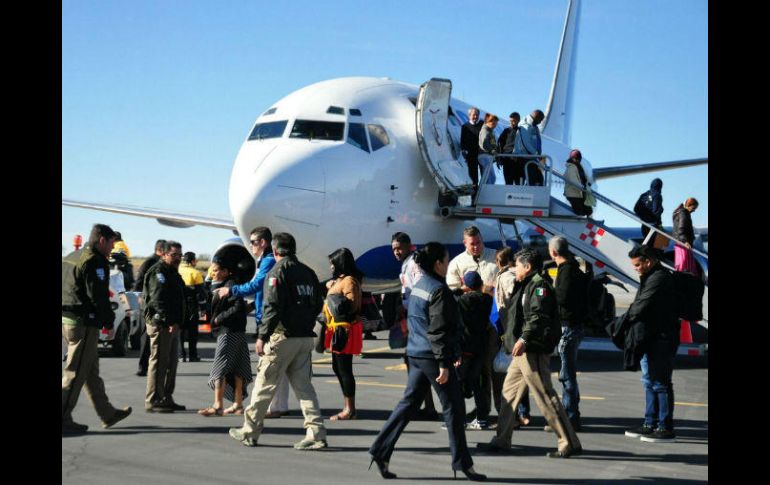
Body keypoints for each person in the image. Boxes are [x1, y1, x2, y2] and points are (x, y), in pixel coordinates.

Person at [368, 242, 486, 481]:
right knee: (454, 407)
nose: (448, 263)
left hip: (416, 353)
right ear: (438, 264)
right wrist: (444, 362)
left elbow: (417, 321)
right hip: (433, 356)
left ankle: (380, 450)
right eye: (446, 259)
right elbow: (439, 329)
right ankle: (463, 463)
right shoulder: (439, 290)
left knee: (408, 404)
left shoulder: (420, 285)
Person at [478, 249, 582, 458]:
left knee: (544, 395)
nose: (514, 268)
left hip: (532, 349)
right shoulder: (525, 284)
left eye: (517, 265)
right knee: (509, 393)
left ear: (527, 267)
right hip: (521, 349)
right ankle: (502, 439)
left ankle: (569, 442)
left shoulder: (539, 286)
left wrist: (524, 339)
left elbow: (538, 316)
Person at [228, 232, 328, 450]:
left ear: (274, 250)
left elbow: (272, 307)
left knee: (264, 385)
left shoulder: (276, 272)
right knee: (305, 389)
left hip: (283, 337)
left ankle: (249, 431)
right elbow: (318, 303)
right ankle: (316, 433)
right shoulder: (308, 272)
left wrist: (262, 336)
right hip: (304, 337)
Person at [62, 223, 132, 434]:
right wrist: (108, 322)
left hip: (68, 320)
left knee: (90, 371)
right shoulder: (95, 261)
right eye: (111, 243)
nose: (112, 248)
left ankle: (107, 413)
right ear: (102, 240)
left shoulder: (72, 256)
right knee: (75, 372)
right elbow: (99, 297)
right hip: (83, 323)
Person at [213, 227, 288, 419]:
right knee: (281, 367)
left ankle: (269, 408)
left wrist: (231, 290)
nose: (250, 245)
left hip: (269, 320)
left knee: (269, 367)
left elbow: (257, 285)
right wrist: (253, 305)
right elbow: (265, 291)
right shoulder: (269, 260)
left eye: (252, 242)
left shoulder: (268, 260)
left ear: (262, 243)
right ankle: (279, 405)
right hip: (275, 317)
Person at [622, 245, 679, 443]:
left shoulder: (659, 277)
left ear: (648, 261)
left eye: (638, 265)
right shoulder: (648, 277)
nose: (636, 268)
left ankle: (665, 427)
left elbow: (641, 305)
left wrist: (623, 321)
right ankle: (649, 423)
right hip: (650, 337)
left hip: (662, 338)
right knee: (649, 381)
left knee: (661, 383)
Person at [391, 231, 439, 420]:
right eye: (394, 249)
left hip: (418, 320)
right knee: (415, 362)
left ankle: (431, 406)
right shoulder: (406, 264)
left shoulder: (414, 264)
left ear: (408, 246)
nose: (396, 252)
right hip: (412, 317)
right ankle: (428, 406)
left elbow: (421, 290)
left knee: (419, 362)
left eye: (399, 248)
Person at [198, 259, 252, 417]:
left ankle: (218, 405)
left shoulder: (230, 285)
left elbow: (238, 307)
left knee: (219, 368)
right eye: (212, 270)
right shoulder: (225, 284)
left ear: (226, 271)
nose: (213, 273)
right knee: (238, 367)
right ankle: (238, 404)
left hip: (228, 331)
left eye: (216, 270)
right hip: (237, 331)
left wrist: (218, 319)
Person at [548, 236, 589, 431]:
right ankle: (570, 415)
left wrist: (547, 292)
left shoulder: (566, 271)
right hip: (576, 325)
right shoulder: (575, 269)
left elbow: (562, 297)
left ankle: (570, 417)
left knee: (566, 375)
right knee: (568, 373)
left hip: (568, 326)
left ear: (553, 252)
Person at [143, 241, 187, 413]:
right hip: (161, 325)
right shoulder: (158, 272)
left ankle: (166, 397)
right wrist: (168, 322)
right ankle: (154, 399)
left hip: (173, 325)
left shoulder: (173, 272)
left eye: (179, 255)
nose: (177, 258)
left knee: (171, 364)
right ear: (164, 254)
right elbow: (157, 300)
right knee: (159, 362)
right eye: (174, 255)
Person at [323, 248, 364, 420]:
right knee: (337, 367)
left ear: (340, 263)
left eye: (333, 263)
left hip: (344, 329)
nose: (331, 267)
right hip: (335, 328)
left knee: (344, 368)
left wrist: (334, 293)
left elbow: (351, 305)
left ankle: (350, 409)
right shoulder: (341, 280)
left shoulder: (349, 281)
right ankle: (347, 405)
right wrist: (331, 286)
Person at [493, 247, 530, 427]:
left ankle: (513, 416)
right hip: (515, 329)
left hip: (511, 330)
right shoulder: (516, 275)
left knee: (512, 376)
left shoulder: (507, 277)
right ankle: (519, 414)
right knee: (521, 375)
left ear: (500, 262)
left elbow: (512, 299)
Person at [457, 271, 493, 430]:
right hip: (481, 344)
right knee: (477, 382)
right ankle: (482, 418)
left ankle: (459, 419)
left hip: (465, 345)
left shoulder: (462, 301)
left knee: (458, 383)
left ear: (466, 285)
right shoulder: (487, 299)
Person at [134, 239, 166, 377]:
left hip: (158, 304)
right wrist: (141, 296)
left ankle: (154, 366)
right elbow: (139, 281)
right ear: (160, 250)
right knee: (147, 337)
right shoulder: (150, 263)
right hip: (149, 305)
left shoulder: (162, 264)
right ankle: (143, 367)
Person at [446, 225, 499, 293]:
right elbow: (453, 290)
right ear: (465, 243)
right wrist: (466, 289)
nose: (476, 246)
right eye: (472, 244)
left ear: (482, 239)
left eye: (478, 242)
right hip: (470, 299)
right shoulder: (456, 263)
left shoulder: (497, 256)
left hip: (495, 298)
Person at [178, 252, 206, 362]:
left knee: (180, 331)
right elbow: (200, 293)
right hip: (191, 306)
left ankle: (181, 355)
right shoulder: (195, 273)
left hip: (179, 305)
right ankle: (193, 356)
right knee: (192, 332)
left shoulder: (177, 271)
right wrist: (203, 308)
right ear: (192, 261)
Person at [513, 109, 545, 186]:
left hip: (531, 158)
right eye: (540, 120)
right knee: (530, 179)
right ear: (536, 117)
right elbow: (526, 143)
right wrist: (536, 154)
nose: (540, 122)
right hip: (523, 158)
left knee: (538, 179)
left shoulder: (534, 126)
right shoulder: (526, 126)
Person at [634, 178, 664, 244]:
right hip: (653, 226)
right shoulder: (657, 196)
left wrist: (643, 217)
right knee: (656, 245)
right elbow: (656, 211)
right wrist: (658, 224)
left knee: (648, 244)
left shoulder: (644, 195)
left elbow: (636, 209)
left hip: (644, 225)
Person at [563, 149, 593, 216]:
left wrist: (589, 183)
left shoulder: (579, 166)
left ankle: (586, 218)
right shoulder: (571, 168)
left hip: (581, 193)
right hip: (572, 194)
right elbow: (573, 181)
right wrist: (582, 187)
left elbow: (585, 176)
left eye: (579, 159)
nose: (578, 160)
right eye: (577, 158)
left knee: (589, 211)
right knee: (580, 212)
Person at [460, 107, 484, 190]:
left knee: (485, 176)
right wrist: (463, 151)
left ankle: (484, 192)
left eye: (477, 115)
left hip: (482, 154)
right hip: (471, 155)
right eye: (474, 115)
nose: (475, 117)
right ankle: (475, 194)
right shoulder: (465, 127)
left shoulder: (482, 125)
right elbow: (462, 141)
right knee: (473, 178)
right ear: (469, 115)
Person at [497, 112, 522, 185]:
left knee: (518, 182)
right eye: (510, 121)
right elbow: (500, 144)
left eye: (514, 121)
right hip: (506, 159)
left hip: (517, 160)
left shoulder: (521, 131)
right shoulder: (506, 131)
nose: (512, 123)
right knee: (508, 182)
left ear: (518, 120)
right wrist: (499, 158)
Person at [477, 113, 499, 185]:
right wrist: (492, 150)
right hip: (485, 155)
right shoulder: (485, 130)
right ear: (488, 122)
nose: (495, 126)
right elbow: (484, 143)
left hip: (488, 156)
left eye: (496, 124)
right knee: (490, 178)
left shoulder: (490, 131)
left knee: (490, 177)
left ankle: (484, 189)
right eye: (493, 123)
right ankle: (484, 190)